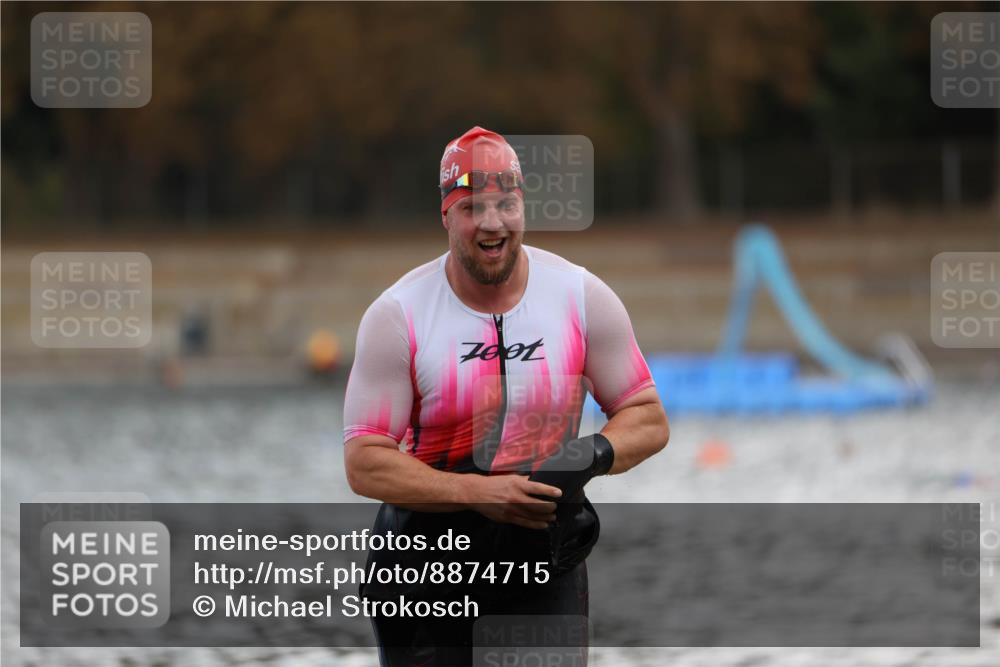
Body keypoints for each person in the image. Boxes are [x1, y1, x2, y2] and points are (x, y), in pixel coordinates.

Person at [343, 126, 669, 666]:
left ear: (522, 207)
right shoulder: (398, 316)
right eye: (472, 207)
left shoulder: (580, 296)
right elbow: (364, 464)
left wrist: (585, 456)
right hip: (427, 570)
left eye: (505, 204)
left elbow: (648, 417)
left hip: (538, 563)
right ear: (445, 216)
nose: (491, 223)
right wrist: (480, 493)